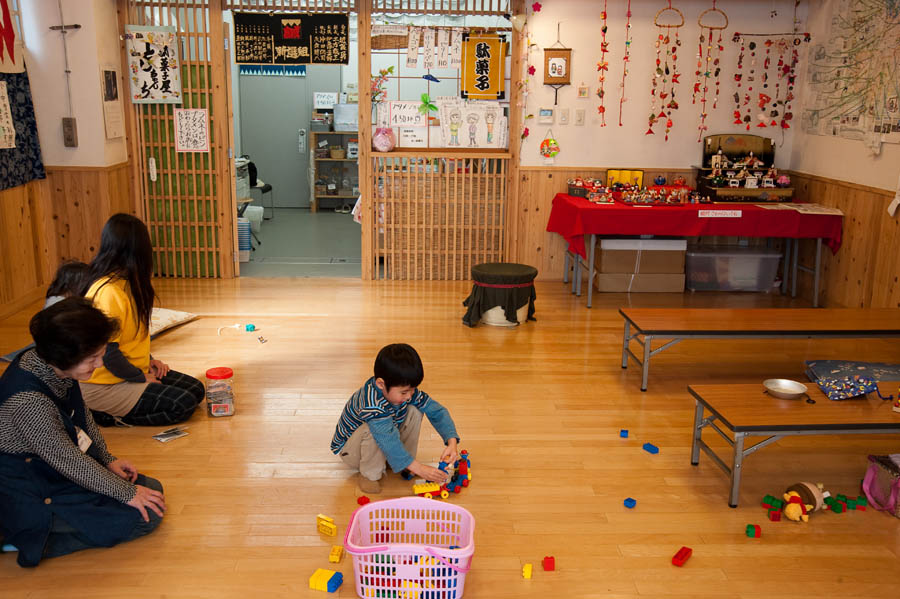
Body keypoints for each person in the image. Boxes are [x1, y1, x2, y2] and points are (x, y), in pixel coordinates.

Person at [0, 298, 166, 567]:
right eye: (92, 358)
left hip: (54, 470)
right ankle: (33, 539)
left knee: (150, 491)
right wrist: (125, 493)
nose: (100, 364)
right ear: (64, 355)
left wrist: (107, 460)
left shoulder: (56, 367)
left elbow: (82, 418)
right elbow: (69, 461)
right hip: (32, 488)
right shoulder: (28, 402)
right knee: (145, 516)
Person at [79, 213, 204, 426]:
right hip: (105, 385)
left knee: (196, 389)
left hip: (130, 371)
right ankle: (103, 415)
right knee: (182, 404)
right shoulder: (108, 292)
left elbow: (132, 338)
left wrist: (149, 361)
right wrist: (139, 377)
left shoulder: (126, 283)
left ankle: (136, 388)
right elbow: (109, 353)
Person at [331, 343, 460, 494]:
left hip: (384, 438)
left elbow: (437, 411)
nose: (409, 395)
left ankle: (405, 463)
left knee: (414, 410)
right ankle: (369, 474)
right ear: (381, 384)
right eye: (404, 392)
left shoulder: (406, 392)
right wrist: (420, 469)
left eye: (412, 390)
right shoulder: (371, 404)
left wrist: (451, 442)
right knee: (373, 430)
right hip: (352, 451)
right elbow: (387, 439)